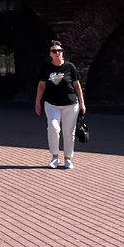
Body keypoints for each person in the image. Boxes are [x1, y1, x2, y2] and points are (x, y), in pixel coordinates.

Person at [34, 40, 87, 170]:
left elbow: (76, 85)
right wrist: (37, 101)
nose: (57, 53)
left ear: (62, 52)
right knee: (53, 128)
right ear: (50, 54)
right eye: (54, 51)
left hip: (70, 104)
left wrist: (82, 102)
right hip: (51, 103)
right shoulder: (46, 67)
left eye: (59, 50)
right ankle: (55, 157)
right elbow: (42, 85)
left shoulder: (70, 67)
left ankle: (68, 158)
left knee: (69, 132)